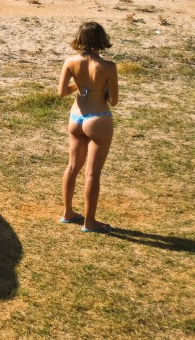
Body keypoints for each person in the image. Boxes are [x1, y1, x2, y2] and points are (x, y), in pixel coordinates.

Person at [57, 21, 119, 233]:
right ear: (101, 40)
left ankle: (68, 213)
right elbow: (114, 100)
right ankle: (89, 222)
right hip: (98, 119)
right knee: (92, 173)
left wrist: (81, 85)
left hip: (76, 117)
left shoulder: (70, 61)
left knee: (73, 167)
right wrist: (99, 88)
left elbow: (62, 92)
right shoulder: (109, 66)